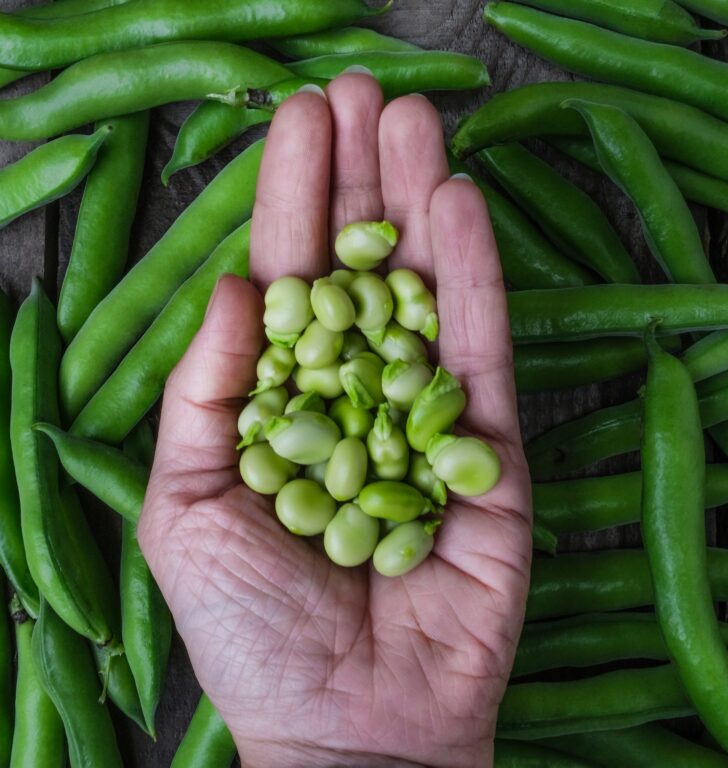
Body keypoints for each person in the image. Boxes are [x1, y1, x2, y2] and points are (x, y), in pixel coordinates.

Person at [137, 71, 532, 768]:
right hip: (369, 466)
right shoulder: (340, 391)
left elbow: (360, 433)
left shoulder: (336, 376)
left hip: (371, 454)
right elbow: (355, 450)